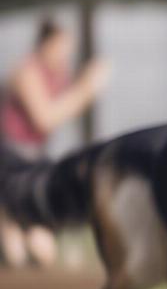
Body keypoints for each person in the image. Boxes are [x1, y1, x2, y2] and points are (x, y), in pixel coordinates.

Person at [0, 17, 108, 267]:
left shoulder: (58, 74)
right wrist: (85, 88)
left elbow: (67, 107)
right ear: (47, 44)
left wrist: (85, 88)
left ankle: (16, 226)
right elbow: (45, 119)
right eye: (63, 46)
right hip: (9, 159)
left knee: (43, 255)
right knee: (14, 258)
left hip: (34, 159)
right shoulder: (26, 71)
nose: (65, 53)